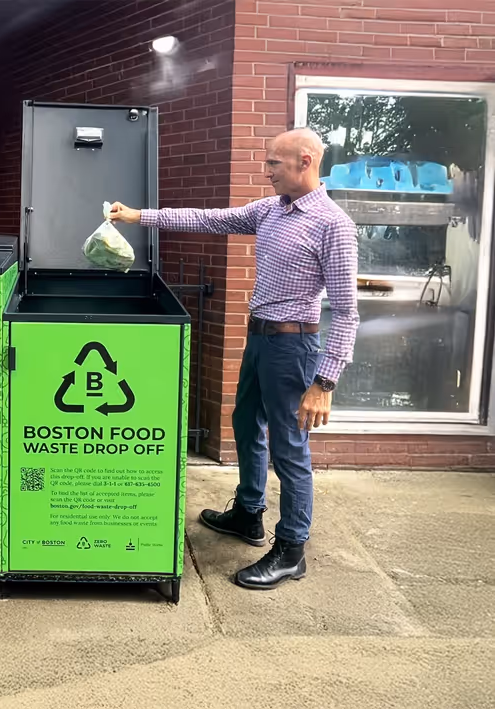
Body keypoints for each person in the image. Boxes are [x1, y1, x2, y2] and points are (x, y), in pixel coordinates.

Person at [109, 128, 359, 590]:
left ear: (305, 162)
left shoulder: (332, 224)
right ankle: (248, 513)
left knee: (290, 450)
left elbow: (346, 310)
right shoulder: (271, 210)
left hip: (293, 347)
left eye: (274, 164)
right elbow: (208, 219)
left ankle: (291, 549)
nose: (265, 172)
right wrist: (138, 216)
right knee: (246, 425)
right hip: (260, 340)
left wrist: (324, 383)